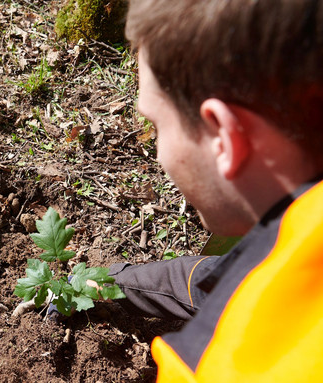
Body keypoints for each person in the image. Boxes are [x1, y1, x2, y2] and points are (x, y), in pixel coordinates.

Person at [105, 0, 323, 381]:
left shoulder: (225, 367)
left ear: (224, 137)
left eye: (156, 125)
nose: (158, 152)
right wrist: (114, 282)